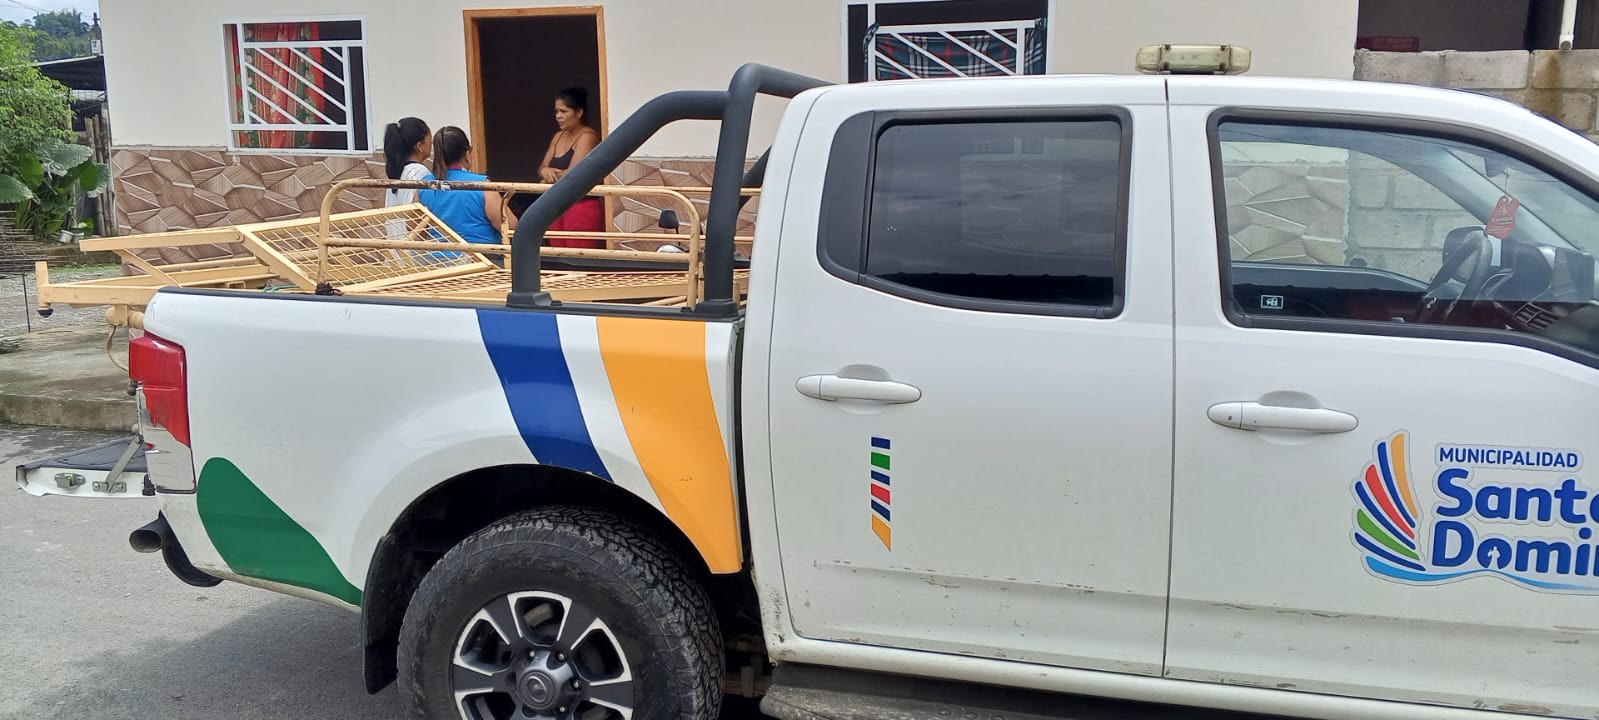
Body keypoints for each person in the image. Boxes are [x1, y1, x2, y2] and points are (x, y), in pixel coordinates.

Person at [418, 126, 516, 265]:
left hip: (437, 263)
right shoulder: (481, 185)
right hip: (482, 262)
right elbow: (510, 226)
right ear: (466, 153)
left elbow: (414, 227)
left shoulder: (424, 185)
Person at [537, 87, 605, 248]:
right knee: (557, 255)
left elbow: (574, 173)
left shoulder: (588, 136)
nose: (558, 116)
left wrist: (548, 179)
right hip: (556, 205)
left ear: (579, 112)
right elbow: (542, 167)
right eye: (556, 111)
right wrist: (545, 171)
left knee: (577, 255)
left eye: (563, 111)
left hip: (580, 207)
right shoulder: (558, 136)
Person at [382, 117, 432, 207]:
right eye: (430, 140)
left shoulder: (397, 171)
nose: (431, 144)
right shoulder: (419, 172)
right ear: (420, 145)